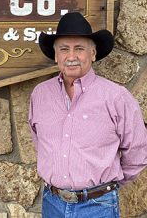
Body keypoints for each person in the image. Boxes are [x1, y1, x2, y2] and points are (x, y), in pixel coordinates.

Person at [28, 12, 147, 217]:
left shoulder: (116, 97)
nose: (71, 56)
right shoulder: (40, 95)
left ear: (93, 54)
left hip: (98, 206)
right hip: (52, 204)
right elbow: (40, 143)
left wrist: (106, 186)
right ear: (56, 55)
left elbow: (137, 151)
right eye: (64, 49)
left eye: (79, 49)